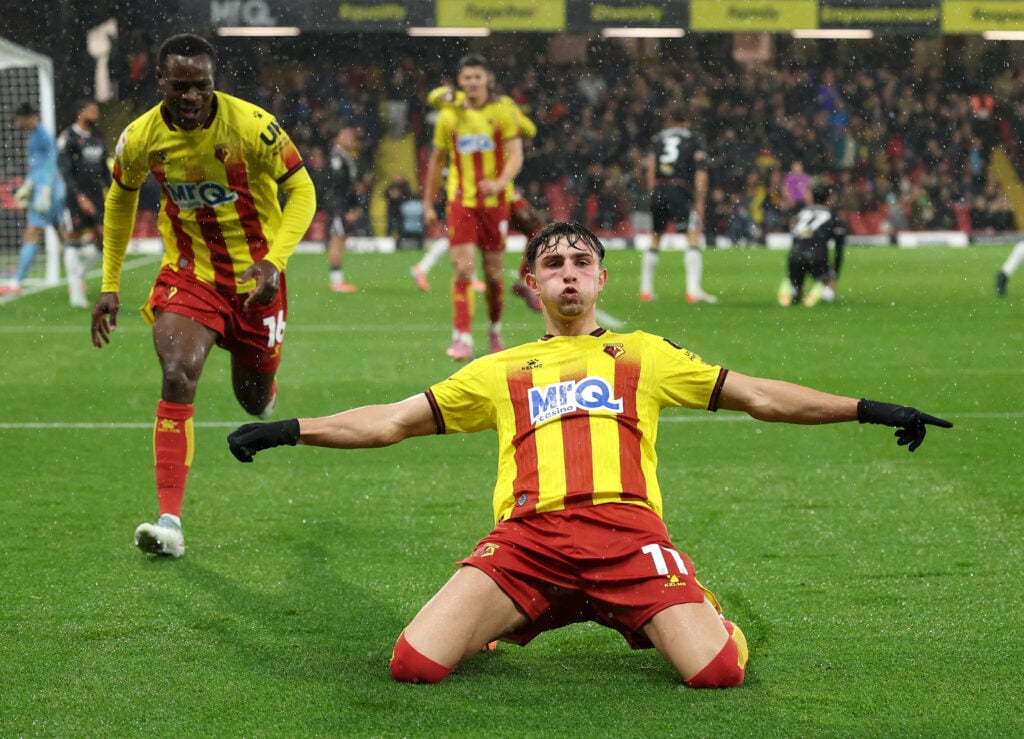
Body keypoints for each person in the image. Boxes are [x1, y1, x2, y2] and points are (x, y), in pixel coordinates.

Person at [226, 220, 951, 687]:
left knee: (718, 671)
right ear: (532, 283)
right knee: (413, 665)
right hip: (528, 541)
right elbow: (388, 421)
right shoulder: (502, 368)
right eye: (553, 262)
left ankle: (700, 613)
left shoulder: (644, 353)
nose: (568, 271)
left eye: (581, 261)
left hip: (627, 537)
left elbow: (760, 394)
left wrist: (868, 408)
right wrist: (289, 427)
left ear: (602, 279)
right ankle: (517, 609)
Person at [90, 33, 317, 558]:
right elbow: (119, 202)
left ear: (214, 83)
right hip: (189, 274)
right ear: (162, 83)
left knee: (254, 401)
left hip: (257, 280)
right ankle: (170, 521)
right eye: (180, 87)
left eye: (202, 87)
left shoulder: (252, 126)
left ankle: (265, 381)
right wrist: (109, 284)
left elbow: (301, 189)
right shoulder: (139, 138)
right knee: (177, 371)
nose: (192, 97)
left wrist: (274, 261)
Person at [420, 54, 524, 360]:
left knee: (493, 275)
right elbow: (436, 160)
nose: (473, 82)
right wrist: (428, 203)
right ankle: (462, 336)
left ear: (487, 79)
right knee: (463, 268)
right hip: (461, 202)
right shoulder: (449, 115)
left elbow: (516, 155)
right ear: (460, 81)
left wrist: (500, 182)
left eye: (478, 77)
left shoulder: (502, 109)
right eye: (467, 78)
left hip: (495, 204)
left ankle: (494, 329)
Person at [412, 81, 542, 312]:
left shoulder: (504, 108)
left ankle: (523, 282)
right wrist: (451, 97)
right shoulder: (460, 104)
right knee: (465, 248)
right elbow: (434, 96)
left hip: (502, 191)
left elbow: (531, 130)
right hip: (468, 191)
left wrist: (513, 114)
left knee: (538, 231)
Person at [640, 105, 714, 304]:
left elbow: (650, 168)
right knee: (692, 237)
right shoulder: (693, 139)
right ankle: (693, 291)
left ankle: (646, 291)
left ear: (669, 120)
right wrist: (699, 199)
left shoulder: (658, 139)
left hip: (659, 189)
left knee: (655, 238)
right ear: (686, 121)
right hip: (679, 190)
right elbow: (700, 172)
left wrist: (652, 192)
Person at [0, 102, 67, 296]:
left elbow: (50, 163)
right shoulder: (38, 134)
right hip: (55, 190)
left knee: (31, 234)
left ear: (28, 118)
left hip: (48, 192)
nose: (18, 124)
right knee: (61, 233)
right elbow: (40, 166)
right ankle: (77, 279)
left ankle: (16, 282)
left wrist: (43, 189)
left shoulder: (42, 135)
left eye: (19, 120)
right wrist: (29, 184)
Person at [57, 99, 110, 308]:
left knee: (104, 239)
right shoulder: (67, 137)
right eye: (92, 110)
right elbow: (65, 171)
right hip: (75, 197)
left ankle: (78, 275)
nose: (96, 114)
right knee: (74, 238)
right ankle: (76, 293)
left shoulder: (98, 137)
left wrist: (114, 190)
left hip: (96, 195)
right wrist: (79, 196)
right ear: (81, 112)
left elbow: (103, 168)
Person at [778, 183, 847, 307]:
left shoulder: (802, 213)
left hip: (796, 254)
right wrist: (834, 275)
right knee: (828, 282)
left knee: (796, 290)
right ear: (828, 199)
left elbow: (795, 236)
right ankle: (823, 293)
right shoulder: (832, 215)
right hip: (817, 254)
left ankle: (794, 290)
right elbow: (838, 249)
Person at [323, 124, 361, 293]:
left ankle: (338, 280)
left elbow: (348, 186)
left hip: (342, 206)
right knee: (337, 240)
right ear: (336, 138)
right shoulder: (336, 157)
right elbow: (337, 185)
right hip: (338, 207)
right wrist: (342, 209)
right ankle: (336, 282)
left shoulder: (345, 156)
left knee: (340, 239)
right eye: (345, 134)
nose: (350, 138)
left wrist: (354, 206)